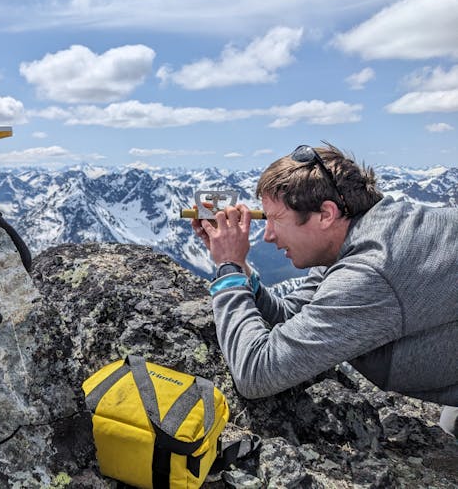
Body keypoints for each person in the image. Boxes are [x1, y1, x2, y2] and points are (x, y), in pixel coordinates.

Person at [191, 143, 458, 437]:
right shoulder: (358, 234)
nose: (267, 236)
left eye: (275, 221)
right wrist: (240, 267)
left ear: (326, 214)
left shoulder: (370, 272)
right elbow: (292, 315)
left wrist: (228, 269)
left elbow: (256, 372)